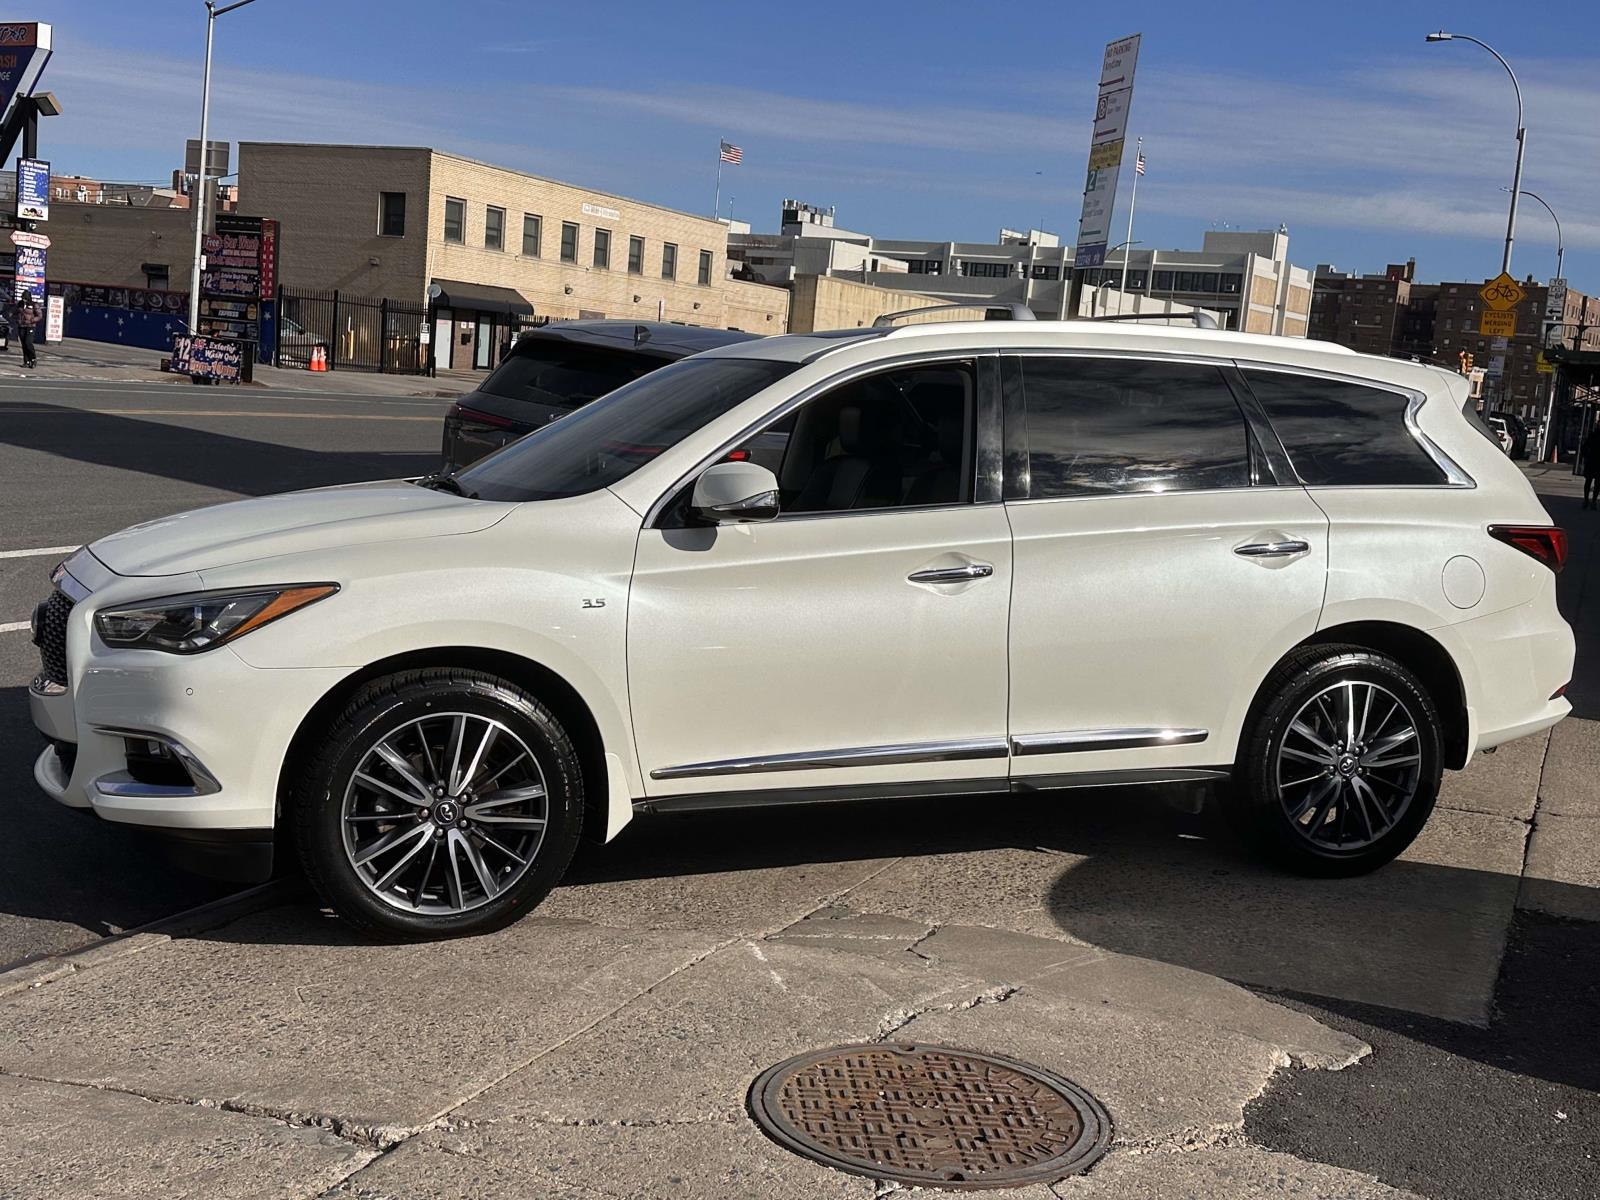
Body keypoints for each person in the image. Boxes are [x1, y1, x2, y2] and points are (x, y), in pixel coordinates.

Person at [16, 295, 41, 369]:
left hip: (30, 326)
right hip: (22, 326)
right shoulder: (20, 304)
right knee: (24, 344)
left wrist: (32, 320)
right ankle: (26, 361)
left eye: (26, 298)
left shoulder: (34, 305)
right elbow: (15, 312)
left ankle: (33, 359)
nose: (24, 300)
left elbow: (39, 315)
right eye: (23, 298)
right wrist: (16, 319)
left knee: (28, 343)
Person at [1583, 424, 1600, 511]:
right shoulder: (1592, 435)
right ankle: (1591, 501)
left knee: (1590, 481)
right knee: (1595, 482)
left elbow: (1585, 447)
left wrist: (1586, 456)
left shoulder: (1592, 435)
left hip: (1592, 461)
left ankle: (1589, 500)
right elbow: (1585, 447)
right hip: (1593, 461)